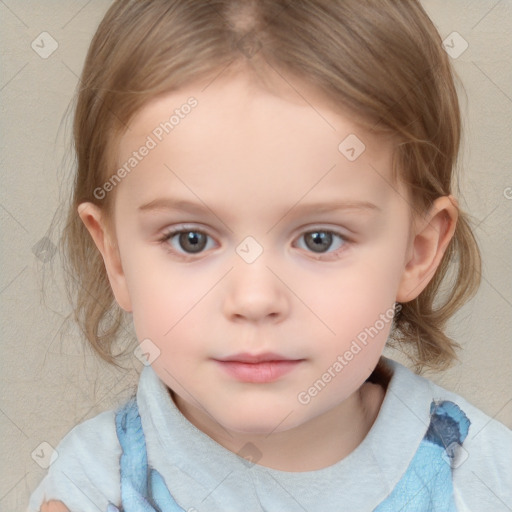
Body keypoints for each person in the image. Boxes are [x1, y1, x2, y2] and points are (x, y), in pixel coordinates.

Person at [28, 0, 511, 511]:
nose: (255, 299)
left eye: (319, 239)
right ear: (117, 258)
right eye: (190, 239)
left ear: (417, 253)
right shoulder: (91, 487)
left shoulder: (482, 479)